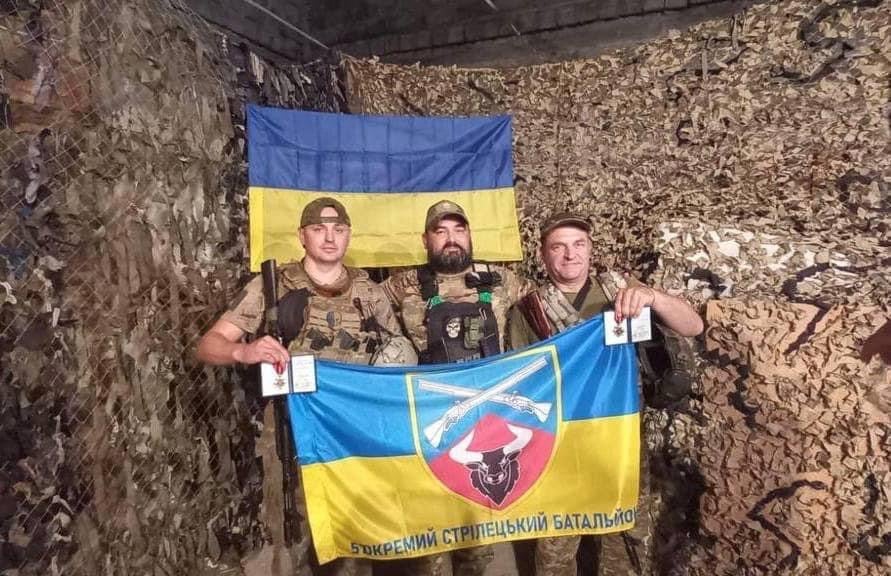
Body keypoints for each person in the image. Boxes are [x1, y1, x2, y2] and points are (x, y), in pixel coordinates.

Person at [196, 197, 407, 576]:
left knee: (360, 538)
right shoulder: (273, 286)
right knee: (301, 539)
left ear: (349, 235)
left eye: (338, 229)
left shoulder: (369, 291)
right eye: (318, 229)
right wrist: (244, 351)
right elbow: (208, 345)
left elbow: (397, 356)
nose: (329, 238)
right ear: (302, 236)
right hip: (294, 432)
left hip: (354, 433)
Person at [507, 212, 704, 576]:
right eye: (558, 247)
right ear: (543, 254)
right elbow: (521, 383)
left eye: (578, 244)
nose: (570, 254)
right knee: (555, 550)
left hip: (622, 442)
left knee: (624, 543)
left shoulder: (620, 291)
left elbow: (693, 325)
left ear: (590, 249)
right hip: (562, 446)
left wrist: (652, 297)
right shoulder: (529, 312)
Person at [382, 199, 533, 576]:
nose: (451, 238)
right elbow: (353, 311)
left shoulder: (502, 280)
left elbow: (553, 311)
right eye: (441, 231)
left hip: (486, 428)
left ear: (469, 235)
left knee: (475, 543)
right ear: (426, 239)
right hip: (428, 426)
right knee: (428, 542)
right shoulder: (401, 286)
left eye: (458, 229)